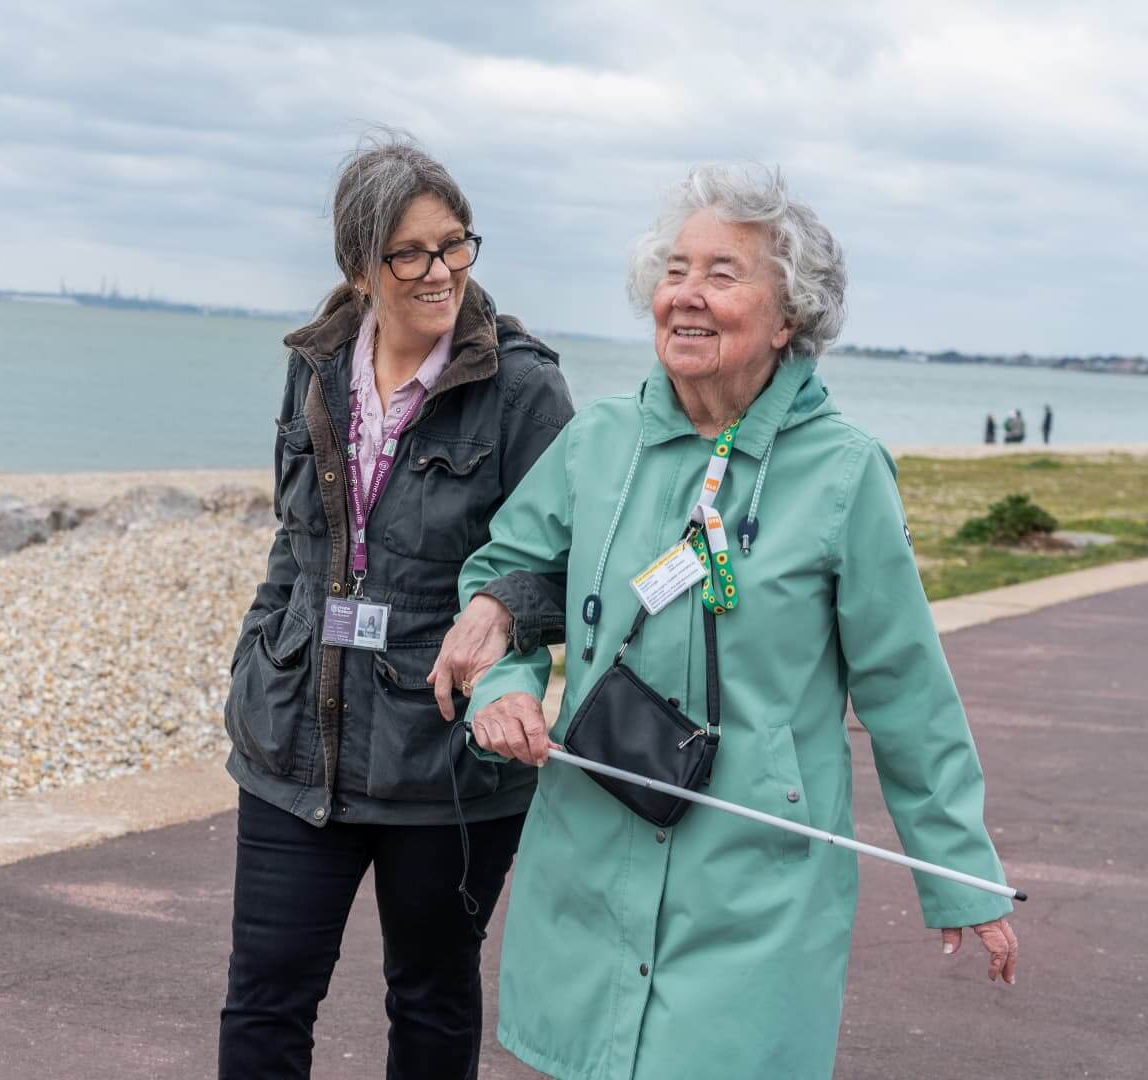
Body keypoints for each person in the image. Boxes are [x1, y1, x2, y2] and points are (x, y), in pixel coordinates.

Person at [438, 165, 1018, 1079]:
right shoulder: (598, 442)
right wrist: (503, 693)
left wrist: (960, 873)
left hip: (755, 881)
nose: (688, 295)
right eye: (675, 270)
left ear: (789, 316)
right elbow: (504, 582)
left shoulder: (844, 473)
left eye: (723, 273)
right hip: (591, 849)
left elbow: (905, 687)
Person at [219, 134, 573, 1080]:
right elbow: (296, 544)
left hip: (446, 760)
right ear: (358, 264)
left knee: (430, 996)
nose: (439, 271)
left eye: (455, 243)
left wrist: (502, 620)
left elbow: (560, 563)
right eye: (409, 252)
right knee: (265, 998)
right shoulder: (315, 368)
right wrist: (259, 655)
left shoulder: (524, 388)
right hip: (294, 740)